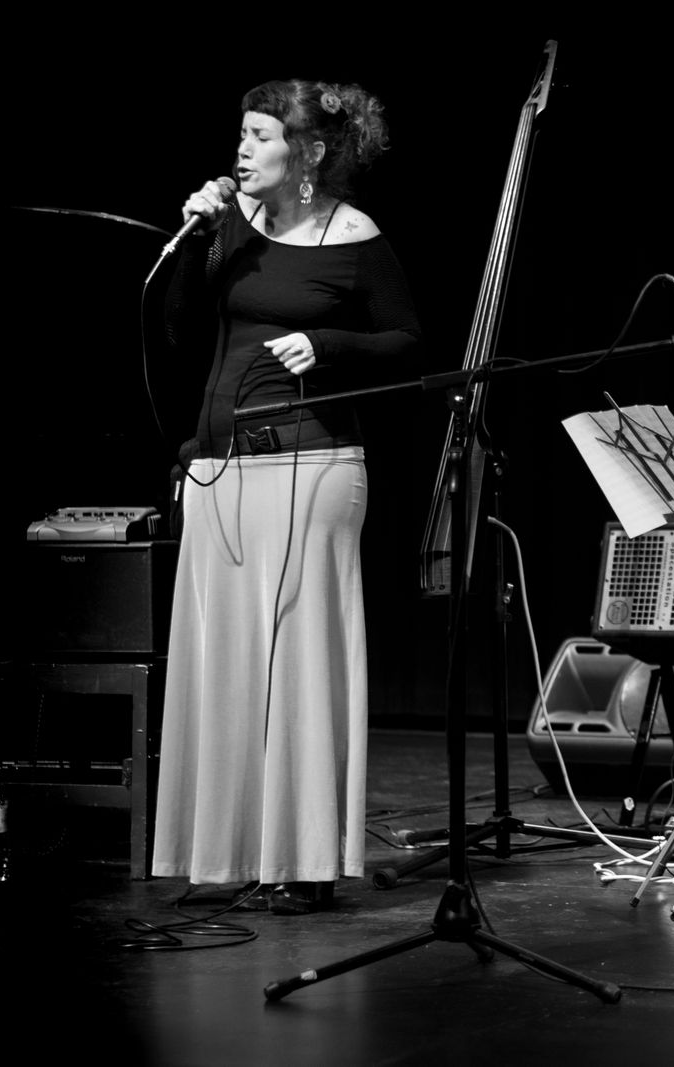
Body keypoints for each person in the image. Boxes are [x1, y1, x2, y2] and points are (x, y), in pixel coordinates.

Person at [150, 79, 421, 914]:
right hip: (218, 468)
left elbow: (406, 342)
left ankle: (302, 862)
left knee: (298, 666)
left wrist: (329, 344)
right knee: (220, 662)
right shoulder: (229, 225)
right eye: (241, 133)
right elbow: (179, 330)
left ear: (307, 153)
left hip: (313, 466)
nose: (242, 149)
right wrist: (197, 239)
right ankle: (223, 852)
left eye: (260, 135)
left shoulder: (354, 236)